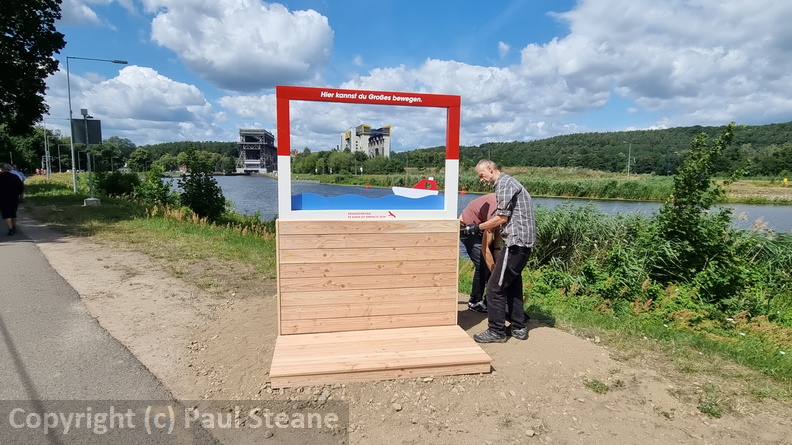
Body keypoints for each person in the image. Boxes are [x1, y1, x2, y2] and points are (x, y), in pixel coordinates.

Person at [469, 159, 536, 343]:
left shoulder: (504, 184)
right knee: (512, 285)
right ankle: (518, 327)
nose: (481, 180)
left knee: (494, 288)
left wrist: (477, 227)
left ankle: (496, 331)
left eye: (481, 175)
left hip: (517, 242)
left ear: (490, 169)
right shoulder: (509, 183)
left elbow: (502, 217)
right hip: (522, 243)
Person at [459, 193, 498, 313]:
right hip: (466, 228)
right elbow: (490, 228)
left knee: (493, 262)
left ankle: (489, 299)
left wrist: (496, 249)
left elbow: (497, 227)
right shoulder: (496, 204)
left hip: (479, 227)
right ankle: (474, 301)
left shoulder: (506, 203)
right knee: (482, 264)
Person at [0, 163, 25, 236]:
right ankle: (14, 227)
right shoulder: (15, 177)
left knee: (6, 214)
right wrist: (17, 194)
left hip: (2, 198)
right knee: (13, 213)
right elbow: (21, 188)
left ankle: (10, 229)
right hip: (14, 198)